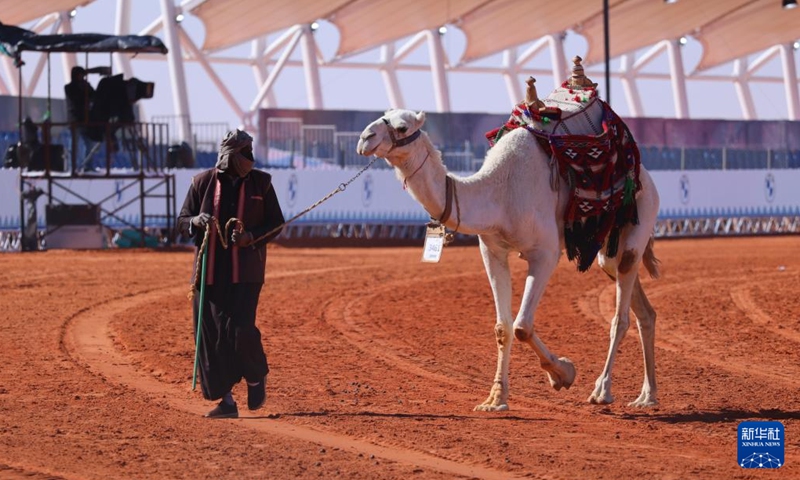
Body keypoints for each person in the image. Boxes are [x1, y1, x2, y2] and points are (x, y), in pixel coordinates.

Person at [177, 129, 285, 419]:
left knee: (240, 330)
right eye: (244, 153)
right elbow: (182, 219)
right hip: (208, 273)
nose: (250, 158)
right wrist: (197, 221)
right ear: (230, 156)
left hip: (246, 272)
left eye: (251, 152)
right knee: (211, 339)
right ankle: (226, 402)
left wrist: (251, 237)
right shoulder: (202, 183)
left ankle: (255, 376)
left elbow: (277, 223)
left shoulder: (261, 184)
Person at [64, 65, 110, 172]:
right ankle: (73, 168)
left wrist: (87, 89)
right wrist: (84, 90)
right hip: (75, 120)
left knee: (89, 144)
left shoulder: (85, 86)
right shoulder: (69, 87)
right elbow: (77, 100)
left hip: (85, 119)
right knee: (73, 146)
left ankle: (88, 166)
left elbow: (94, 96)